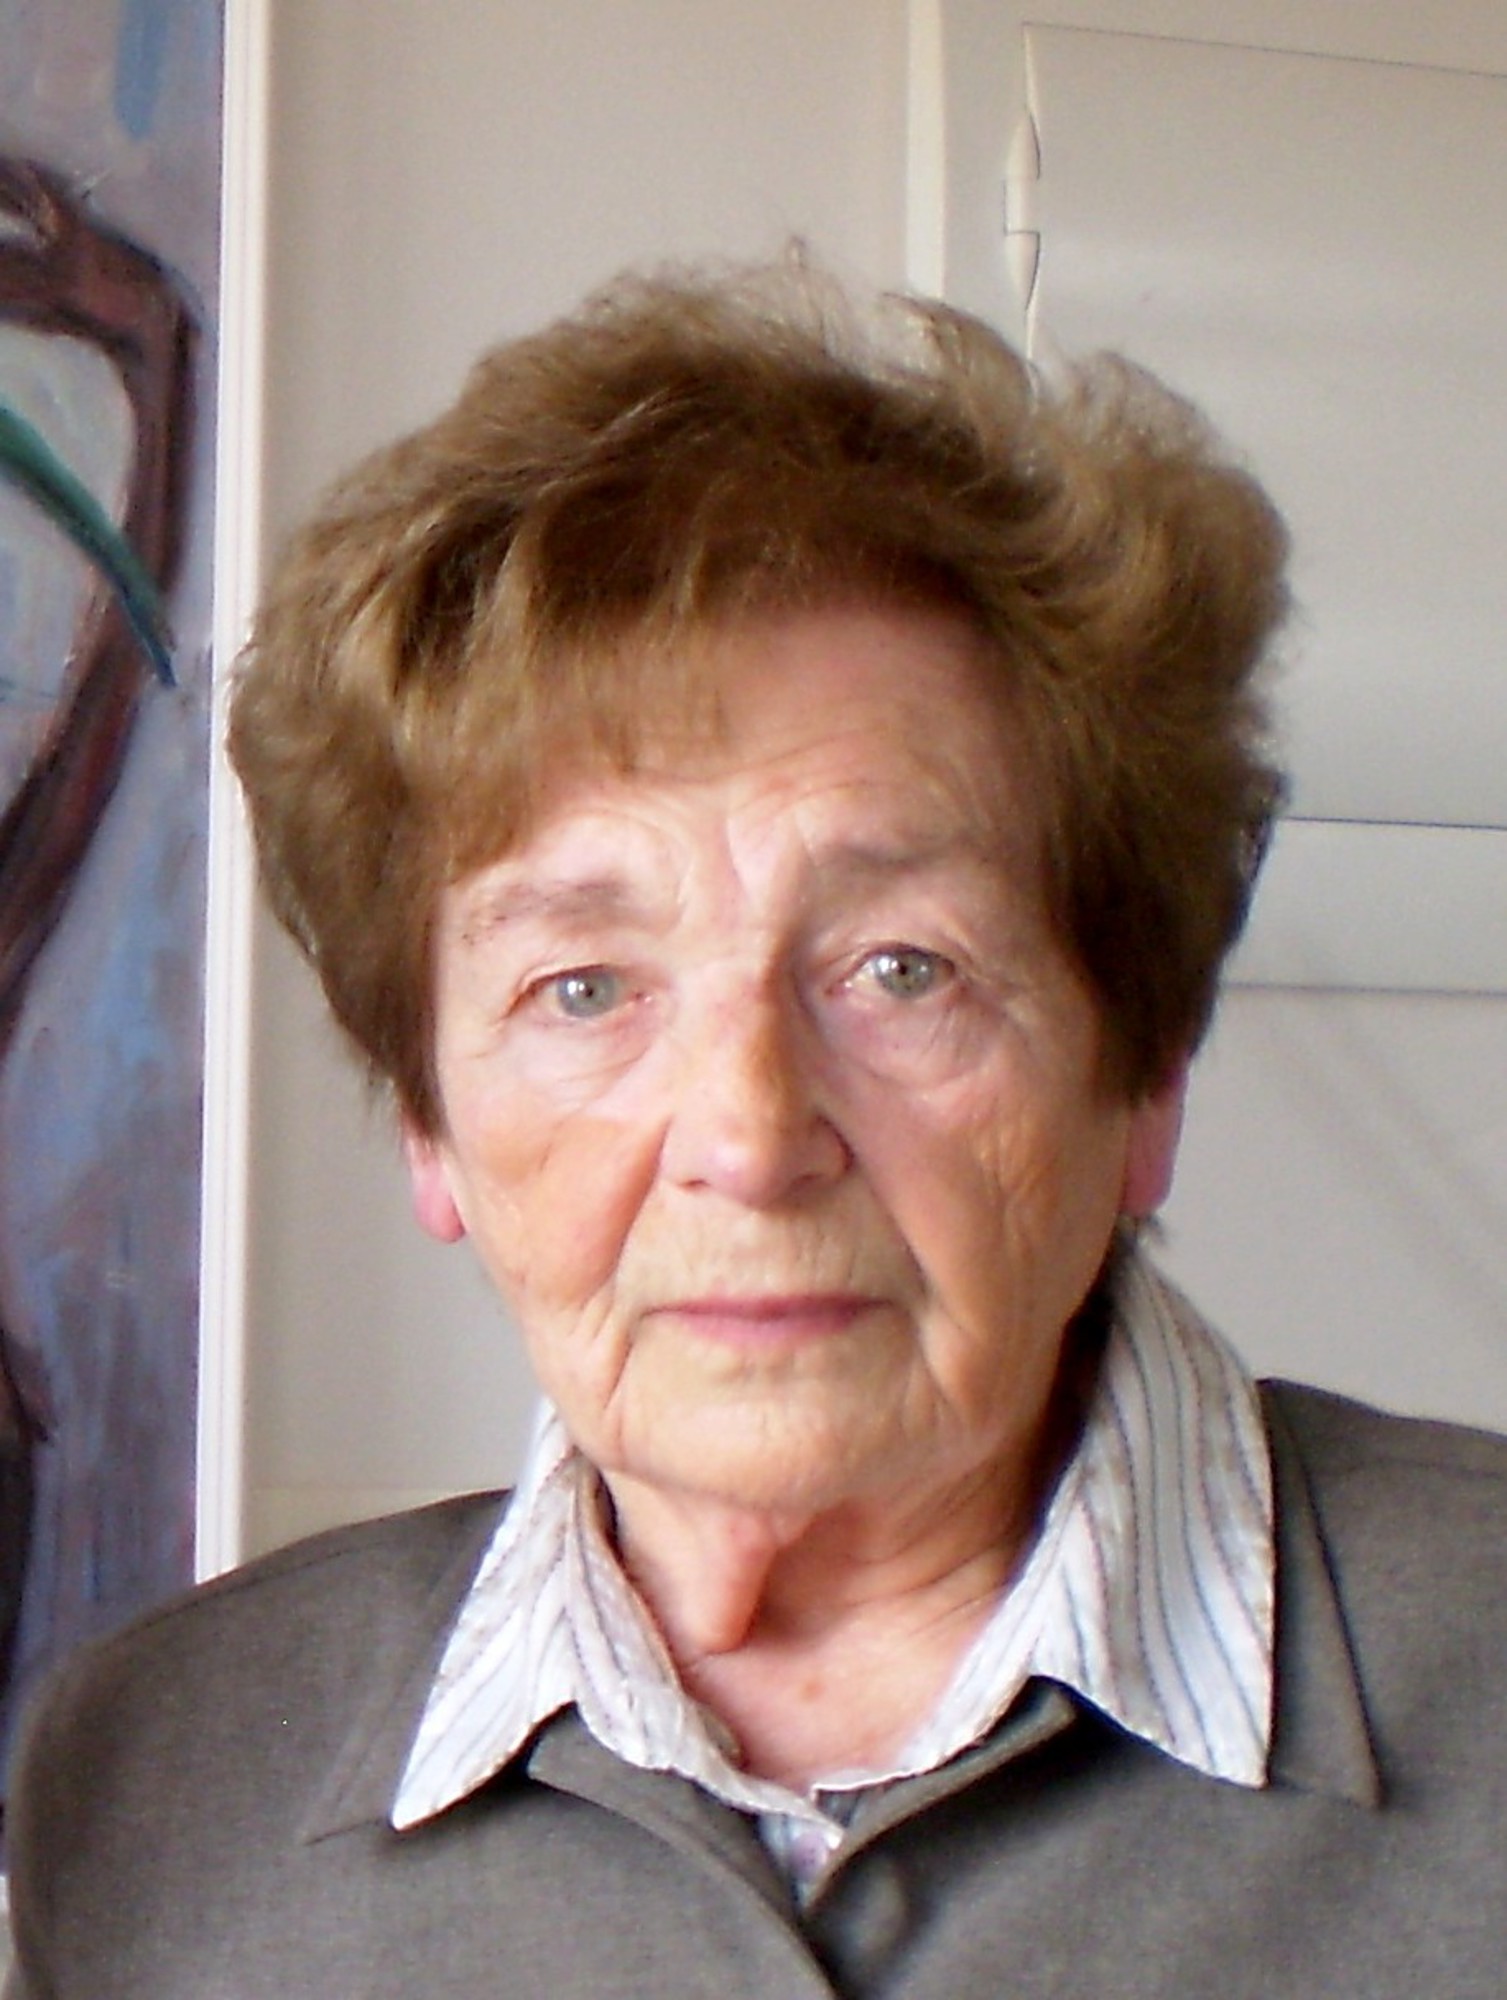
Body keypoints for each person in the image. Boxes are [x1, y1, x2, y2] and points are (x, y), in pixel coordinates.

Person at [6, 253, 1507, 1999]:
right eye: (584, 988)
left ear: (1145, 1070)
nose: (749, 1134)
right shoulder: (159, 1779)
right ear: (428, 1119)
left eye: (900, 969)